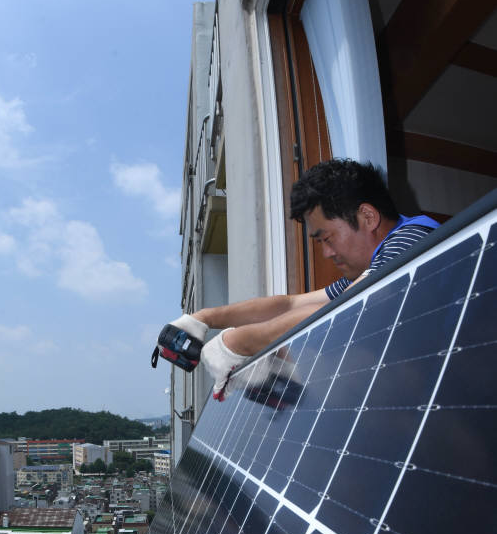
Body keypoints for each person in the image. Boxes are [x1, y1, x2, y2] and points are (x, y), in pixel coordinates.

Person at [165, 158, 439, 400]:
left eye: (327, 238)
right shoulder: (372, 268)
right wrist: (204, 318)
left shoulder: (412, 241)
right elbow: (291, 305)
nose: (327, 253)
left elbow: (349, 309)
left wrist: (240, 342)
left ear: (367, 216)